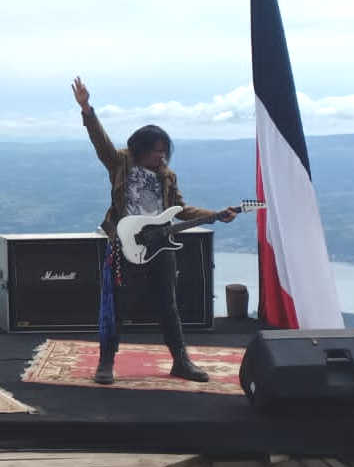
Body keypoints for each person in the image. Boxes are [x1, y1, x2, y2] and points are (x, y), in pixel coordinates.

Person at [72, 77, 236, 385]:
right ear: (140, 149)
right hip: (124, 245)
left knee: (168, 304)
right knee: (116, 305)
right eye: (155, 151)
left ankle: (181, 361)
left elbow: (180, 209)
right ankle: (106, 362)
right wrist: (87, 109)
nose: (160, 156)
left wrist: (214, 215)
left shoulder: (167, 176)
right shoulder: (121, 162)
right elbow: (100, 142)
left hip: (160, 246)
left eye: (164, 151)